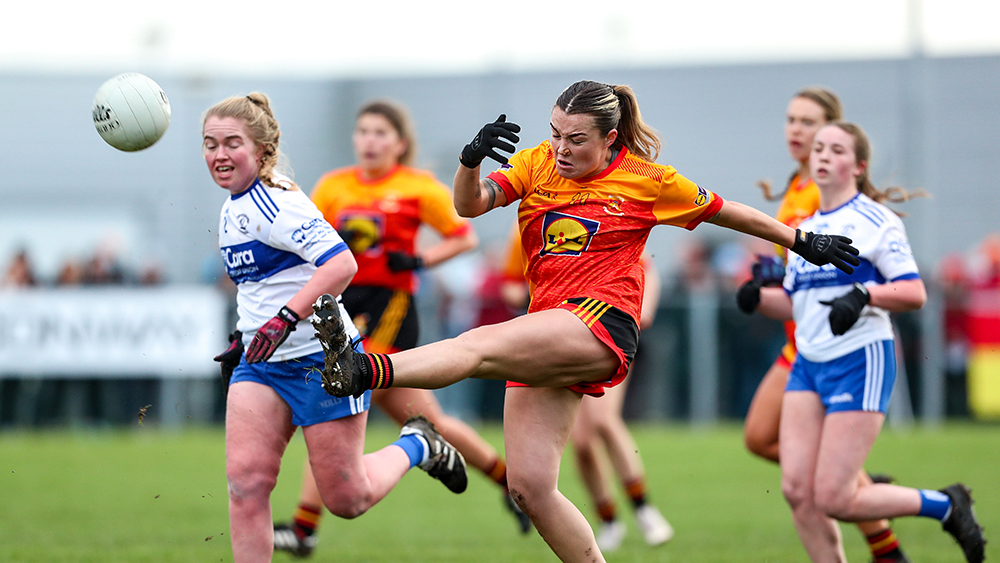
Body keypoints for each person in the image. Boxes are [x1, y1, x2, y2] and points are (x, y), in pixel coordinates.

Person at [310, 80, 860, 563]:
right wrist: (470, 160)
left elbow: (727, 209)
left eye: (576, 140)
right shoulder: (534, 163)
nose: (561, 148)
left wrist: (803, 241)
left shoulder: (649, 180)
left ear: (610, 140)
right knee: (530, 488)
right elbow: (469, 207)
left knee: (479, 344)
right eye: (555, 133)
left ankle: (365, 369)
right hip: (548, 324)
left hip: (601, 321)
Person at [203, 93, 468, 563]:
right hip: (260, 363)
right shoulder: (232, 207)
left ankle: (417, 443)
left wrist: (285, 319)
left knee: (347, 500)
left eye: (231, 143)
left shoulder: (278, 202)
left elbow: (340, 264)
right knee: (246, 484)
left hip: (320, 360)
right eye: (209, 144)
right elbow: (261, 285)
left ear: (261, 150)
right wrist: (244, 337)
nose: (219, 155)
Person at [272, 99, 529, 558]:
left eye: (379, 133)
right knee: (434, 421)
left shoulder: (416, 186)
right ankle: (514, 485)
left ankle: (304, 528)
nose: (369, 141)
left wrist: (417, 260)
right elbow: (309, 241)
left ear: (400, 143)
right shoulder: (334, 185)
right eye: (363, 131)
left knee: (329, 400)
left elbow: (463, 236)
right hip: (347, 306)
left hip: (391, 306)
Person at [742, 121, 985, 563]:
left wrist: (864, 294)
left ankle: (946, 504)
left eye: (835, 150)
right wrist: (758, 299)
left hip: (859, 360)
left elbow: (914, 292)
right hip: (808, 363)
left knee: (834, 497)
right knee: (798, 491)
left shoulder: (876, 220)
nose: (822, 155)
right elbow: (799, 303)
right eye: (818, 148)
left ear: (858, 166)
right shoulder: (807, 228)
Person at [740, 87, 911, 563]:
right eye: (791, 120)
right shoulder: (797, 188)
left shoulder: (825, 191)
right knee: (760, 439)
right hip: (803, 337)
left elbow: (856, 254)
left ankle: (875, 524)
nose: (796, 130)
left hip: (832, 342)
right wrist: (770, 279)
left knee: (793, 462)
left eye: (808, 123)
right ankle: (856, 485)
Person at [569, 254, 674, 551]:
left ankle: (643, 509)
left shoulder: (595, 213)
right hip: (564, 338)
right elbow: (512, 283)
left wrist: (644, 312)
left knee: (603, 419)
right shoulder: (529, 225)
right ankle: (609, 521)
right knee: (582, 443)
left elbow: (648, 267)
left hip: (608, 333)